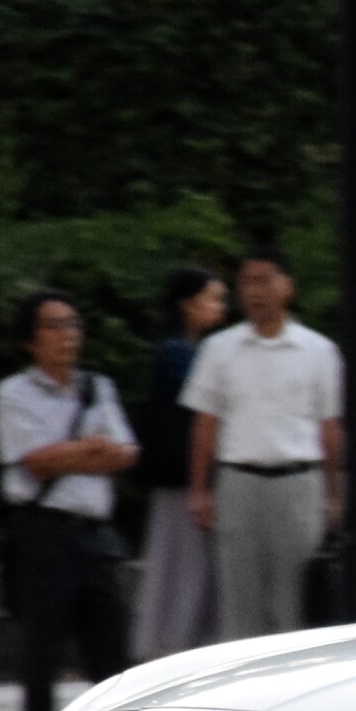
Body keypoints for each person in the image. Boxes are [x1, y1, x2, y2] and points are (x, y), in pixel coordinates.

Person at [0, 291, 139, 711]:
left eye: (73, 324)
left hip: (95, 536)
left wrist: (74, 453)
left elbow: (126, 453)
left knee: (111, 659)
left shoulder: (98, 387)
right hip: (44, 534)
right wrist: (91, 448)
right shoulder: (13, 395)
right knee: (41, 658)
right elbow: (35, 462)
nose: (68, 335)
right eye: (55, 326)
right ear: (29, 340)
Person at [183, 248, 344, 641]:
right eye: (247, 282)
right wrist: (200, 489)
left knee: (294, 604)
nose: (255, 291)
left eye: (265, 280)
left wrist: (333, 491)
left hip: (298, 482)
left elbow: (329, 426)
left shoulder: (318, 350)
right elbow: (205, 422)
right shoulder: (219, 349)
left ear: (287, 286)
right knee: (239, 604)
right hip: (239, 482)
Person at [131, 266, 227, 660]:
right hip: (184, 482)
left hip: (188, 480)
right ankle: (172, 647)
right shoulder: (178, 356)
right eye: (213, 298)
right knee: (184, 570)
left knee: (186, 570)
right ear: (188, 305)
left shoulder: (188, 352)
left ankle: (175, 643)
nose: (221, 307)